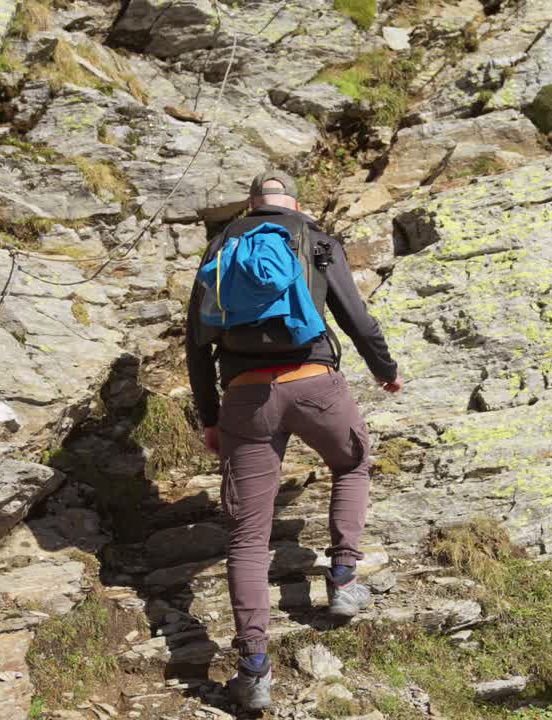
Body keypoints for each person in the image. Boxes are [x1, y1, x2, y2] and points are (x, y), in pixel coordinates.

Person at [185, 170, 403, 710]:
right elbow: (354, 314)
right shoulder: (316, 239)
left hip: (245, 397)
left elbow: (195, 342)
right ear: (294, 204)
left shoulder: (221, 246)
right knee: (351, 464)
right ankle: (344, 580)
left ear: (251, 205)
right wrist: (384, 368)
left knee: (246, 538)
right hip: (315, 385)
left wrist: (211, 415)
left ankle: (254, 667)